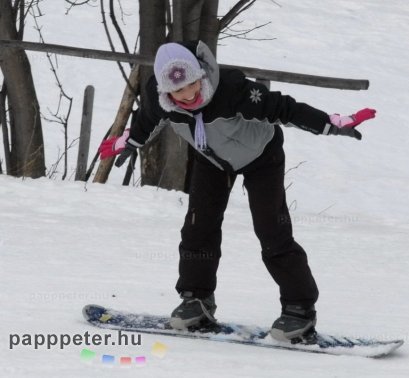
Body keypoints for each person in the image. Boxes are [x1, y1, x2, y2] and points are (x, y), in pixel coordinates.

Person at [98, 41, 376, 342]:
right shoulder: (158, 99)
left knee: (272, 230)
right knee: (198, 226)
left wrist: (330, 123)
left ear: (199, 75)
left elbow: (285, 108)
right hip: (211, 159)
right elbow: (145, 123)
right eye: (179, 92)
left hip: (262, 157)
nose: (189, 95)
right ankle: (196, 300)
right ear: (167, 92)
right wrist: (129, 143)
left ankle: (299, 308)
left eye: (192, 84)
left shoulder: (232, 90)